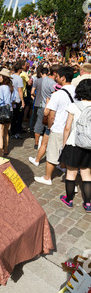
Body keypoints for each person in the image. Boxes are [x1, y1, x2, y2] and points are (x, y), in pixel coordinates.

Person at [34, 66, 75, 185]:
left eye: (57, 76)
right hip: (71, 128)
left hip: (59, 127)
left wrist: (50, 127)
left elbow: (51, 115)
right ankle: (63, 167)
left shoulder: (58, 94)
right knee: (67, 151)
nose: (55, 78)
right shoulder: (76, 91)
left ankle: (47, 177)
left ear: (63, 77)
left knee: (52, 154)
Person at [58, 79, 91, 212]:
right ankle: (88, 203)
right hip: (89, 144)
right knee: (87, 174)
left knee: (71, 173)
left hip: (73, 143)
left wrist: (64, 142)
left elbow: (67, 127)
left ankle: (69, 199)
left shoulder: (73, 106)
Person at [10, 61, 25, 139]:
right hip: (17, 99)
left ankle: (12, 132)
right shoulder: (19, 78)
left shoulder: (11, 76)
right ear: (19, 69)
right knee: (17, 117)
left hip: (11, 99)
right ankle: (15, 132)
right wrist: (22, 101)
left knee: (13, 117)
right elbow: (20, 90)